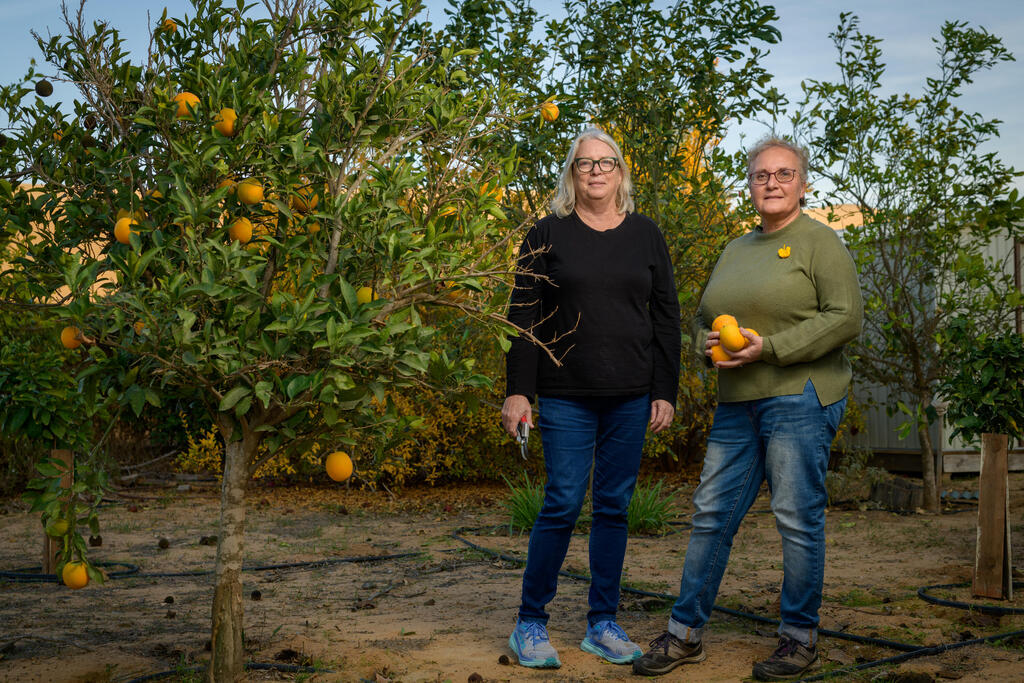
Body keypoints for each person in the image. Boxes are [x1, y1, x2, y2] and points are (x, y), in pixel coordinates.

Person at [633, 136, 863, 680]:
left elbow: (846, 317)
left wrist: (774, 348)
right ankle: (685, 634)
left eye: (784, 174)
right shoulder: (735, 249)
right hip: (737, 402)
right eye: (762, 175)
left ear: (803, 184)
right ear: (750, 185)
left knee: (795, 518)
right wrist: (707, 347)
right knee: (711, 514)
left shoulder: (820, 241)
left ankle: (799, 639)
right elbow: (700, 323)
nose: (772, 184)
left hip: (800, 396)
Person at [501, 127, 681, 669]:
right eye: (585, 164)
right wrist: (517, 391)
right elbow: (522, 317)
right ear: (571, 174)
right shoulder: (545, 234)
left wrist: (664, 390)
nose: (596, 171)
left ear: (622, 172)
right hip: (564, 395)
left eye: (606, 163)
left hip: (630, 395)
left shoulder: (647, 234)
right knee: (561, 502)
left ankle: (602, 623)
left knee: (612, 508)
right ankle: (530, 624)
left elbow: (666, 317)